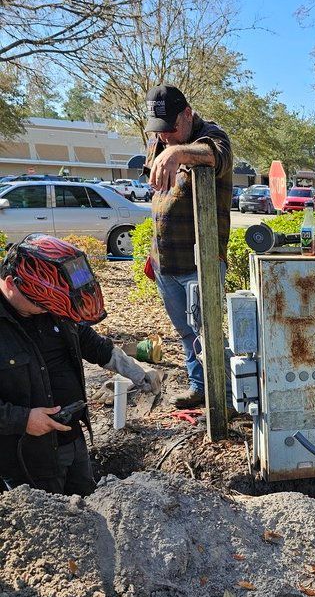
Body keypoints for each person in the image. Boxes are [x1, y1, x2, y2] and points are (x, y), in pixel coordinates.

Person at [0, 235, 160, 495]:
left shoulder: (53, 307)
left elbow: (91, 343)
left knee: (87, 513)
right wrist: (24, 419)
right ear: (10, 284)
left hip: (73, 441)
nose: (46, 310)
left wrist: (136, 372)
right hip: (26, 458)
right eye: (41, 305)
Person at [144, 84, 233, 409]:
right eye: (159, 132)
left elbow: (217, 156)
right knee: (185, 333)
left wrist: (177, 153)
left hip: (201, 263)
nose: (165, 137)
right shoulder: (161, 141)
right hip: (165, 260)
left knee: (208, 333)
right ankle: (200, 388)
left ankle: (225, 397)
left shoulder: (211, 135)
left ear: (187, 113)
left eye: (170, 128)